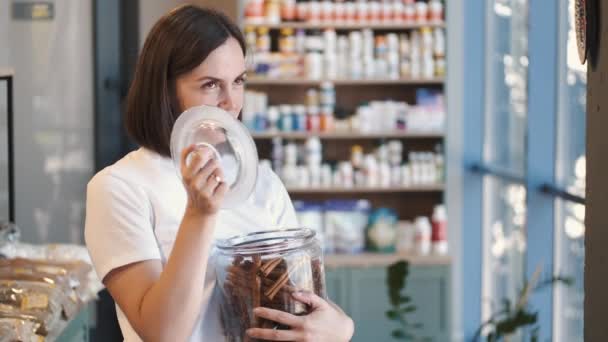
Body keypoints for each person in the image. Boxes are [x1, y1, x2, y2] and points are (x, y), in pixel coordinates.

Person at [84, 5, 354, 342]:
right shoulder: (119, 187)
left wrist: (341, 326)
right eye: (211, 84)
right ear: (164, 89)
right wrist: (200, 213)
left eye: (238, 81)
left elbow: (303, 298)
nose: (231, 102)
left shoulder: (262, 180)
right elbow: (162, 333)